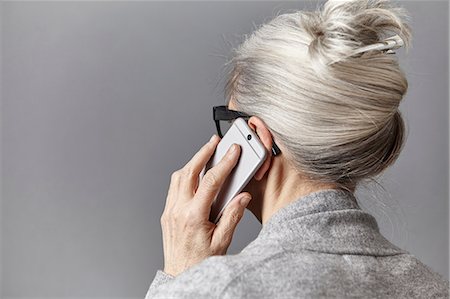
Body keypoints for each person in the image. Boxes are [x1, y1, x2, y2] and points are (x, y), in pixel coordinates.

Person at [145, 0, 449, 297]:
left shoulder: (226, 287)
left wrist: (183, 277)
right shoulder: (433, 286)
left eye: (229, 124)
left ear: (257, 138)